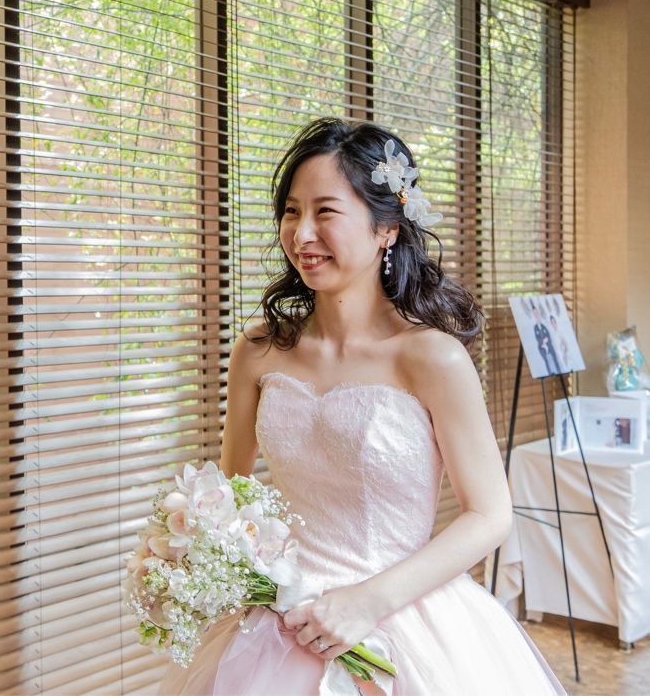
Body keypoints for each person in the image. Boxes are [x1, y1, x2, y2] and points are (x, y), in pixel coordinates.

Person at [161, 118, 563, 694]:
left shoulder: (432, 358)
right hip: (280, 625)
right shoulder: (257, 351)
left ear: (387, 228)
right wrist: (188, 555)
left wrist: (366, 602)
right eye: (291, 212)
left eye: (325, 211)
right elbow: (230, 497)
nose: (302, 233)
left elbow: (490, 515)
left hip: (403, 618)